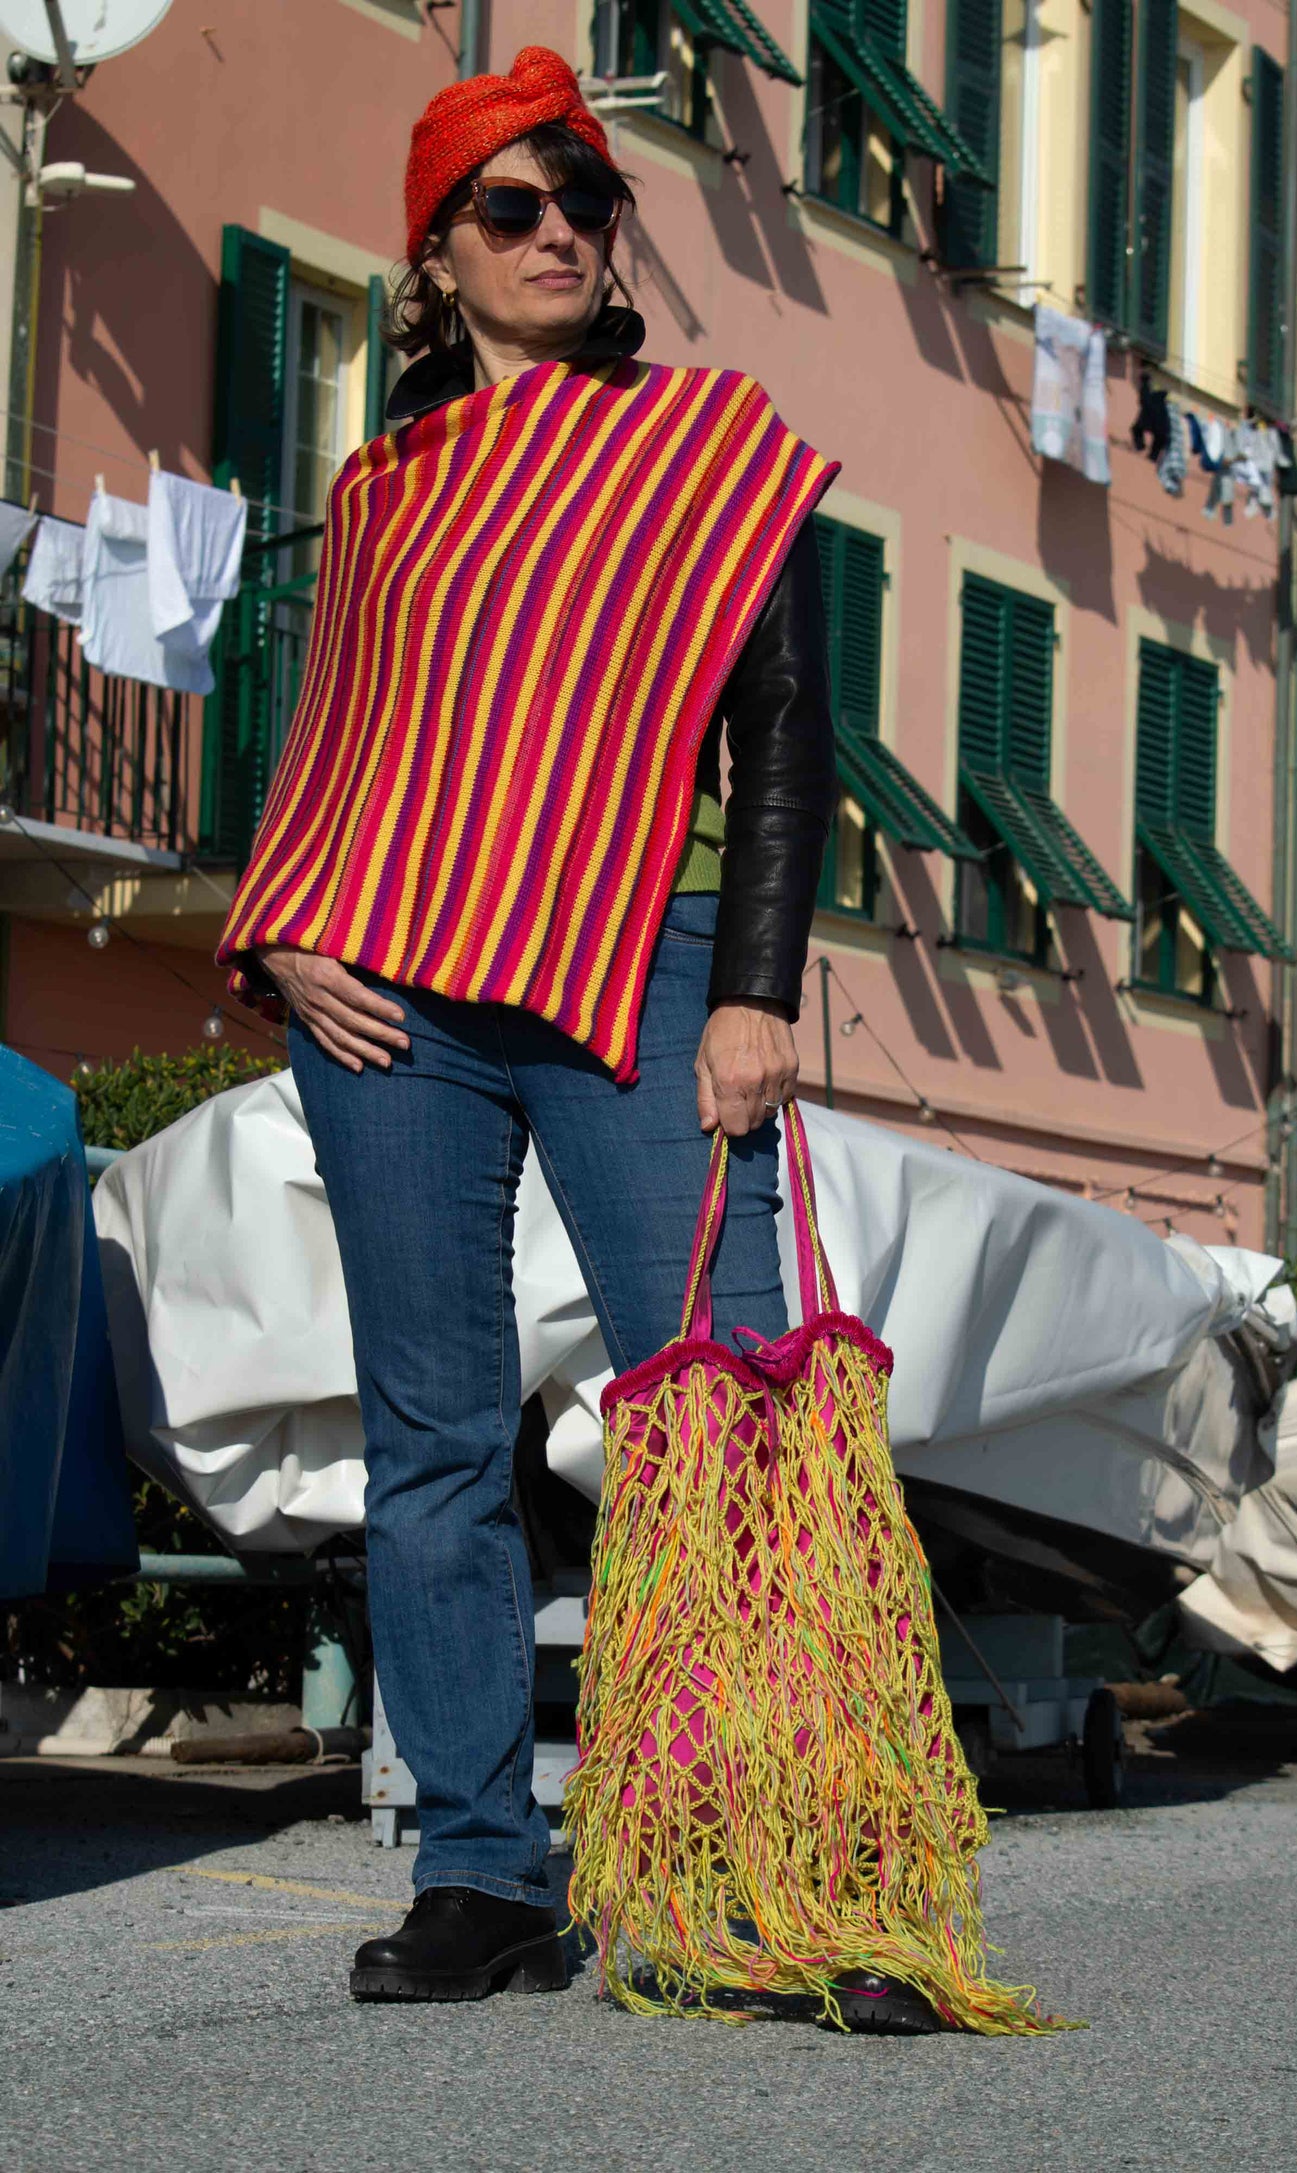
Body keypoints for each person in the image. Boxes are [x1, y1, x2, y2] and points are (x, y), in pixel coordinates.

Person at [218, 45, 931, 2034]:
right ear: (436, 254)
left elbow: (788, 730)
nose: (555, 235)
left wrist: (764, 994)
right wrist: (280, 929)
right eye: (508, 209)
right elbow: (332, 740)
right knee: (433, 1440)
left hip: (653, 965)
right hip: (396, 1000)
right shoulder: (382, 488)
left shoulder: (714, 446)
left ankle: (800, 1874)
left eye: (582, 202)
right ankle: (480, 1871)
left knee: (736, 1415)